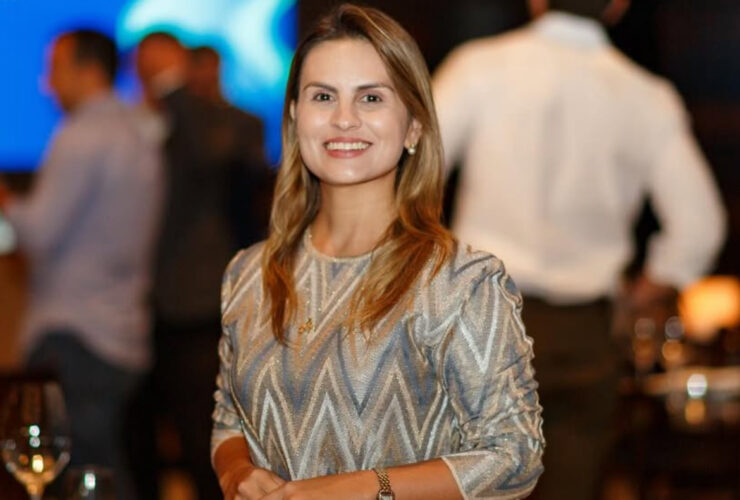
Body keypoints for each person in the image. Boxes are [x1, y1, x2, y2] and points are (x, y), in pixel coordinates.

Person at [211, 4, 544, 500]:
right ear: (296, 117)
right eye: (323, 96)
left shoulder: (459, 281)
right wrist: (236, 472)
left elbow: (514, 455)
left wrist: (363, 487)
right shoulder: (249, 273)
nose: (344, 119)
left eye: (371, 98)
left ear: (413, 127)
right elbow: (229, 419)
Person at [432, 0, 726, 498]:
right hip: (585, 334)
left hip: (477, 320)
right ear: (619, 5)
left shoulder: (477, 67)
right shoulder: (646, 95)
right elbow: (701, 226)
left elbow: (408, 180)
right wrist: (645, 291)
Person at [0, 29, 163, 499]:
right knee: (98, 468)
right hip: (123, 328)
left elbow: (39, 231)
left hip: (76, 331)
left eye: (55, 68)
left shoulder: (81, 135)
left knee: (83, 475)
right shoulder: (140, 132)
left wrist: (7, 202)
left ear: (89, 70)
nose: (46, 83)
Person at [131, 32, 272, 500]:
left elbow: (214, 158)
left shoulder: (236, 125)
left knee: (203, 431)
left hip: (202, 300)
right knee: (144, 434)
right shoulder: (150, 125)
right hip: (148, 302)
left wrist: (173, 90)